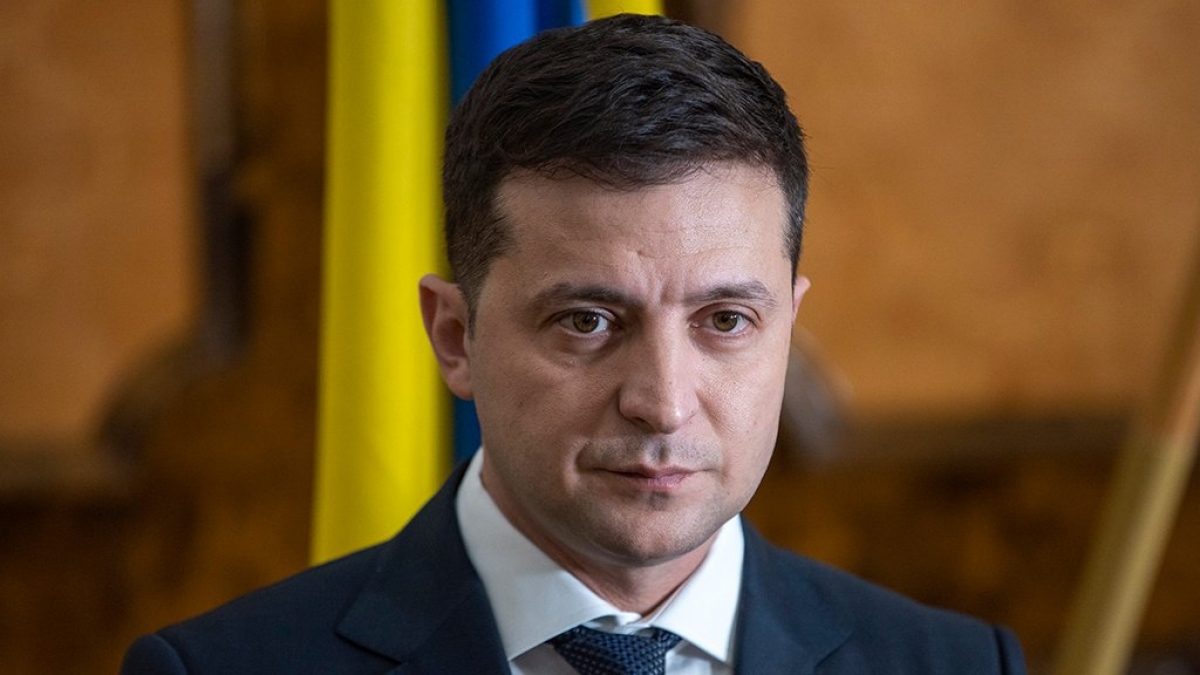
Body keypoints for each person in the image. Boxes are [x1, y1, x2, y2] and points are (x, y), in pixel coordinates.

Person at [122, 13, 1026, 675]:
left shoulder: (956, 665)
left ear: (787, 327)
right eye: (588, 320)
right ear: (455, 336)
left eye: (724, 321)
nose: (662, 402)